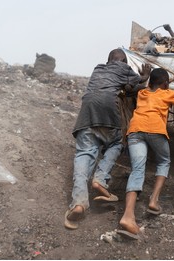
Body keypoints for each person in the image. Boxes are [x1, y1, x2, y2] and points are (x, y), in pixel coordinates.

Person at [64, 48, 151, 230]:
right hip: (109, 115)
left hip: (87, 116)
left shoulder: (98, 69)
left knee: (83, 155)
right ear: (124, 62)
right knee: (117, 142)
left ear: (108, 60)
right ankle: (100, 179)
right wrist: (145, 74)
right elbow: (139, 83)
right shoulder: (125, 70)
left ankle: (79, 203)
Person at [117, 68, 174, 239]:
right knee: (164, 161)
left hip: (135, 130)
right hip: (155, 130)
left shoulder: (142, 93)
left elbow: (142, 86)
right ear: (164, 84)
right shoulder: (167, 93)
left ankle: (128, 215)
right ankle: (154, 201)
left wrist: (146, 77)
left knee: (137, 169)